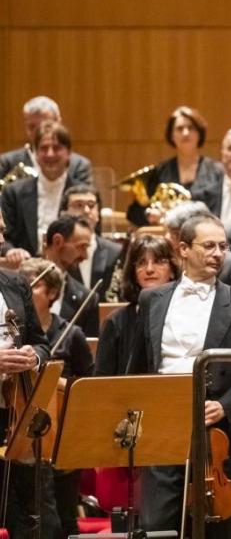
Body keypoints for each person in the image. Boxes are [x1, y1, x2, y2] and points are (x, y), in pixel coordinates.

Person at [127, 214, 231, 537]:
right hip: (162, 425)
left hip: (216, 431)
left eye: (223, 246)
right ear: (182, 249)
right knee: (158, 526)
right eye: (208, 246)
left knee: (221, 525)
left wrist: (225, 405)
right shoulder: (151, 299)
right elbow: (138, 368)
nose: (218, 253)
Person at [19, 257, 94, 537]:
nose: (24, 292)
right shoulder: (17, 333)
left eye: (32, 286)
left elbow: (88, 386)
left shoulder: (71, 334)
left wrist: (56, 382)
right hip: (27, 431)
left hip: (63, 431)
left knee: (64, 510)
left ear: (51, 293)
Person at [0, 211, 60, 538]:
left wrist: (33, 357)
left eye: (1, 231)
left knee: (34, 517)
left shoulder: (14, 282)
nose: (1, 240)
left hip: (18, 414)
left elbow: (40, 342)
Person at [94, 234, 179, 376]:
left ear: (172, 270)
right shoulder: (115, 321)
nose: (149, 269)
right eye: (141, 263)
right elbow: (101, 380)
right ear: (133, 272)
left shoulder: (183, 314)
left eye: (158, 261)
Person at [126, 106, 222, 227]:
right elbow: (134, 214)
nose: (185, 133)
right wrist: (149, 214)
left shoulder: (217, 171)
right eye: (179, 129)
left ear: (199, 133)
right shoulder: (159, 171)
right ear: (171, 135)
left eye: (191, 128)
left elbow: (220, 211)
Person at [1, 121, 80, 265]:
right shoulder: (13, 192)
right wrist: (10, 251)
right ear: (35, 154)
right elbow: (4, 236)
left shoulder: (83, 195)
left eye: (56, 148)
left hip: (70, 271)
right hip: (23, 271)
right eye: (44, 148)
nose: (50, 154)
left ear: (68, 153)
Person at [0, 96, 92, 184]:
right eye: (32, 127)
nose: (38, 132)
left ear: (58, 122)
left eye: (46, 125)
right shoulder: (7, 163)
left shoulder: (79, 165)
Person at [61, 184, 122, 301]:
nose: (86, 211)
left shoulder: (115, 252)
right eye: (78, 205)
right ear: (64, 213)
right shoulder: (57, 251)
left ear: (98, 214)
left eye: (91, 205)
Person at [43, 215, 99, 337]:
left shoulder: (88, 299)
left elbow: (89, 349)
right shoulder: (20, 285)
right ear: (58, 241)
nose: (85, 256)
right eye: (81, 247)